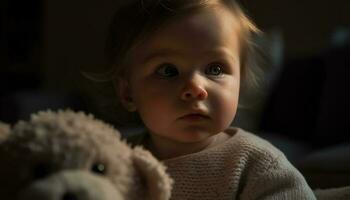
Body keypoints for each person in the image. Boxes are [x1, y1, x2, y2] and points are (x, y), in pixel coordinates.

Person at [86, 0, 316, 199]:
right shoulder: (114, 158)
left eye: (215, 69)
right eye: (168, 70)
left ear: (240, 82)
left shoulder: (257, 164)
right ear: (128, 93)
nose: (196, 88)